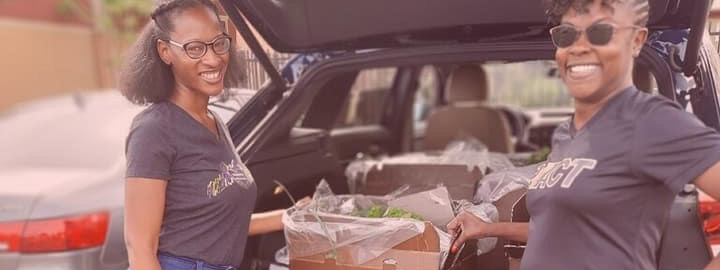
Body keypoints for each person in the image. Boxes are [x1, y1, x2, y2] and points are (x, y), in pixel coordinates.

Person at [447, 0, 720, 269]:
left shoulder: (652, 121)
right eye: (566, 35)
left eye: (600, 32)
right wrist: (486, 228)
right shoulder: (568, 133)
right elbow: (556, 231)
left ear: (637, 41)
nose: (579, 47)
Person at [119, 1, 302, 269]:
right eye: (195, 48)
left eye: (218, 43)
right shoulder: (153, 130)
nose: (213, 58)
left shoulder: (214, 121)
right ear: (165, 52)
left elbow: (220, 221)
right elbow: (140, 249)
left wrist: (289, 216)